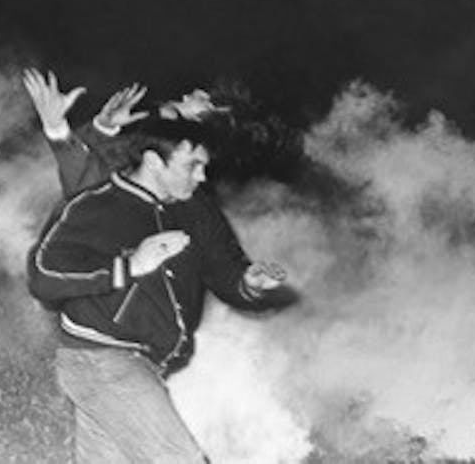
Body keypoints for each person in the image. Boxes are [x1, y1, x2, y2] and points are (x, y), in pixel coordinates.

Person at [23, 68, 288, 463]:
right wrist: (70, 130)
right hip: (105, 358)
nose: (192, 94)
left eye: (203, 103)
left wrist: (247, 281)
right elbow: (88, 189)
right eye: (192, 164)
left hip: (141, 362)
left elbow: (223, 265)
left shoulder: (192, 202)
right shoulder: (124, 180)